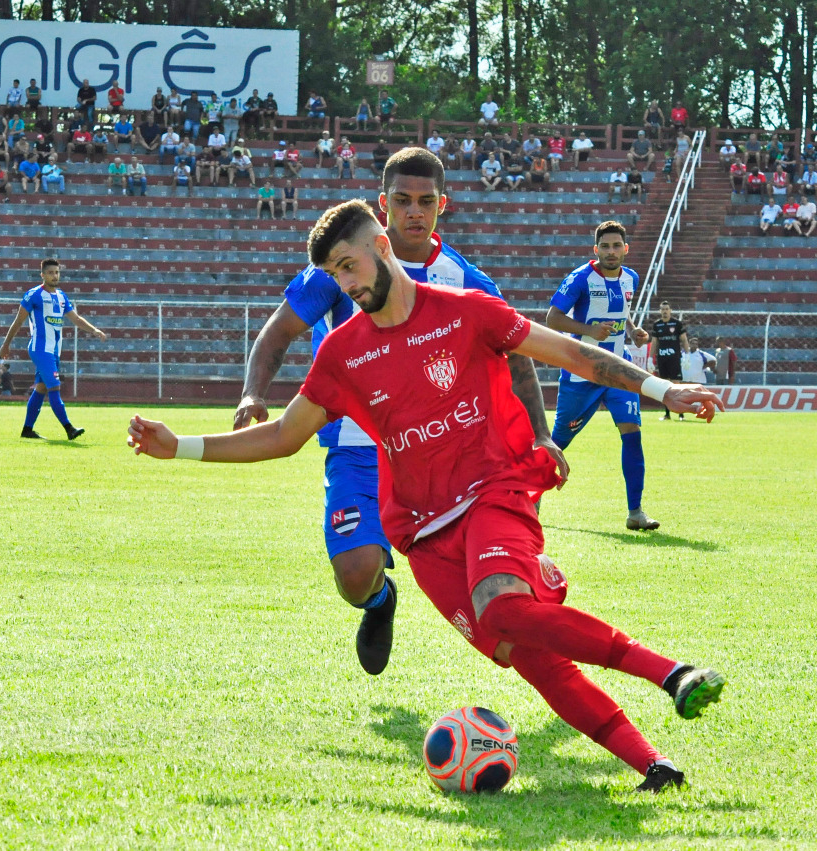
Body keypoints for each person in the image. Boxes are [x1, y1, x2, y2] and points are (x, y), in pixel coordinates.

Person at [133, 198, 726, 794]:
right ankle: (652, 764)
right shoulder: (342, 352)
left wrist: (661, 387)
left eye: (350, 265)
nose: (346, 282)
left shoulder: (468, 310)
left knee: (501, 607)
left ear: (382, 247)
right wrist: (178, 445)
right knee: (527, 652)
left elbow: (571, 353)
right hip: (424, 533)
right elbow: (286, 436)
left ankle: (671, 673)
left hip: (496, 489)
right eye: (335, 273)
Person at [233, 147, 562, 677]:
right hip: (359, 450)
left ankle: (546, 636)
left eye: (425, 201)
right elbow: (279, 331)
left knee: (492, 590)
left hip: (447, 457)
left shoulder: (466, 279)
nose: (415, 211)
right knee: (355, 574)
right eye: (403, 201)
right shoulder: (341, 267)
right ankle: (379, 601)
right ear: (383, 205)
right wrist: (253, 392)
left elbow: (516, 359)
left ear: (441, 205)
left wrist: (541, 435)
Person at [547, 221, 661, 530]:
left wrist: (634, 330)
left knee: (632, 433)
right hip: (582, 371)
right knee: (557, 441)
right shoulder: (580, 279)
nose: (611, 252)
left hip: (618, 369)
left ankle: (635, 512)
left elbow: (622, 310)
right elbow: (553, 318)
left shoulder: (631, 278)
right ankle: (527, 498)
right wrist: (588, 330)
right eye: (605, 246)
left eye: (616, 246)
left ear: (626, 249)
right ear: (595, 249)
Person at [0, 258, 107, 440]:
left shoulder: (61, 296)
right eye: (50, 273)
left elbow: (76, 319)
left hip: (54, 351)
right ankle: (69, 428)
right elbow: (18, 321)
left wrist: (94, 330)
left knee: (41, 388)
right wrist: (6, 344)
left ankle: (27, 429)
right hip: (40, 349)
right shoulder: (33, 295)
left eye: (57, 272)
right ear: (42, 275)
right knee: (54, 387)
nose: (54, 276)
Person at [648, 301, 690, 420]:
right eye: (663, 309)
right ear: (660, 311)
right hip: (662, 359)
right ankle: (667, 414)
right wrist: (650, 358)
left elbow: (684, 340)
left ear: (670, 310)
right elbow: (655, 342)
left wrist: (687, 355)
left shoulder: (677, 324)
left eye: (667, 309)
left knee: (676, 385)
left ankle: (681, 414)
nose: (665, 311)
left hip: (674, 359)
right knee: (665, 386)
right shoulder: (657, 325)